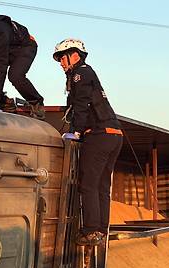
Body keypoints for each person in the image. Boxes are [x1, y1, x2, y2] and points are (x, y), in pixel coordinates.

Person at [53, 39, 123, 245]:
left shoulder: (80, 73)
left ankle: (91, 230)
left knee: (88, 184)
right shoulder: (86, 73)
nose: (60, 63)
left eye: (62, 58)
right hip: (114, 134)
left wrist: (75, 131)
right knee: (102, 185)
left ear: (75, 55)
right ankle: (101, 229)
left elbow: (81, 104)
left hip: (99, 135)